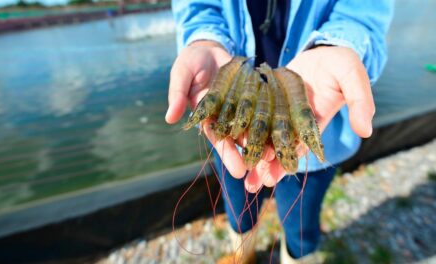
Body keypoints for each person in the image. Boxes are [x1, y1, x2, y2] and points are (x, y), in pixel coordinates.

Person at [166, 0, 394, 263]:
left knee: (300, 221)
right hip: (235, 113)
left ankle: (296, 255)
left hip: (323, 114)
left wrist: (337, 43)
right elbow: (199, 8)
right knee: (238, 205)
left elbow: (363, 12)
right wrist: (205, 40)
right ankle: (243, 255)